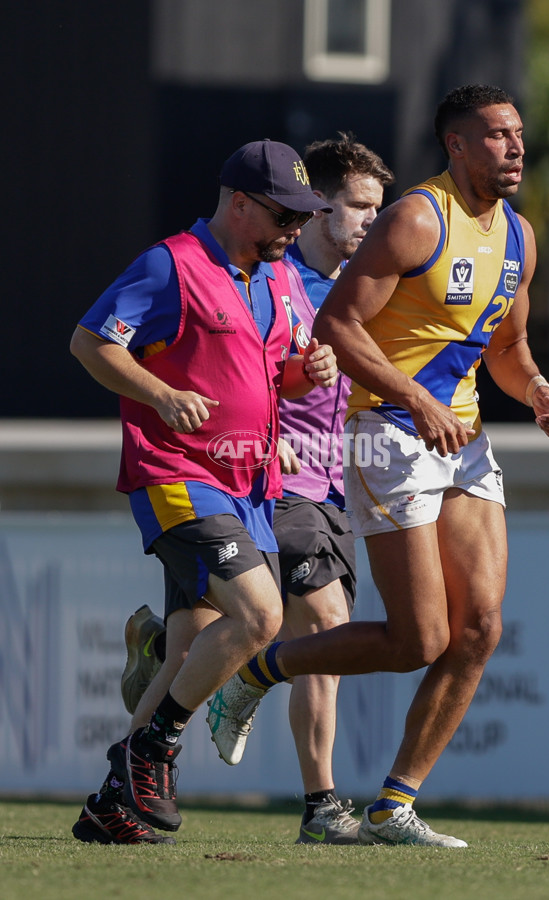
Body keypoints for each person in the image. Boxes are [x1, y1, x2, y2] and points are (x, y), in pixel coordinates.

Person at [202, 84, 549, 848]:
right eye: (497, 135)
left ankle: (393, 805)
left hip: (461, 441)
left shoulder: (520, 238)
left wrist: (533, 387)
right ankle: (255, 673)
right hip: (390, 436)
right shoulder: (415, 217)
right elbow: (337, 324)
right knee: (417, 640)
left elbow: (505, 347)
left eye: (519, 135)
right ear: (458, 145)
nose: (515, 147)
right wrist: (414, 397)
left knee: (480, 630)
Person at [69, 138, 337, 844]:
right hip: (178, 475)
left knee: (192, 646)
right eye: (285, 215)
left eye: (304, 218)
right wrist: (160, 394)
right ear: (239, 203)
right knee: (259, 616)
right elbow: (92, 342)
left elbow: (272, 377)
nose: (295, 230)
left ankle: (111, 805)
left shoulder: (277, 275)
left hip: (249, 483)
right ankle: (150, 751)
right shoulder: (171, 265)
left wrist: (311, 372)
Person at [206, 134, 395, 844]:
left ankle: (160, 647)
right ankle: (320, 806)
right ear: (315, 211)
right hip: (275, 482)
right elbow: (234, 374)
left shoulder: (368, 291)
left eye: (379, 208)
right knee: (323, 627)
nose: (372, 223)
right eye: (359, 206)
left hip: (333, 487)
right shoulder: (274, 283)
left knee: (282, 638)